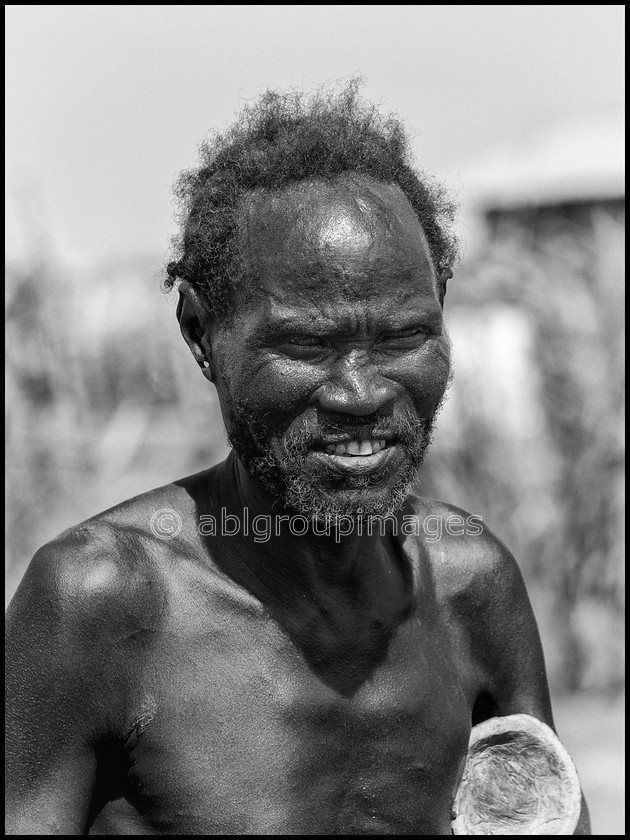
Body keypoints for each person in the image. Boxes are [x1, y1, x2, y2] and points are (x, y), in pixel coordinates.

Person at [5, 82, 590, 835]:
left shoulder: (472, 590)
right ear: (199, 332)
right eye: (306, 345)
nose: (359, 392)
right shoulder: (99, 604)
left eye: (403, 337)